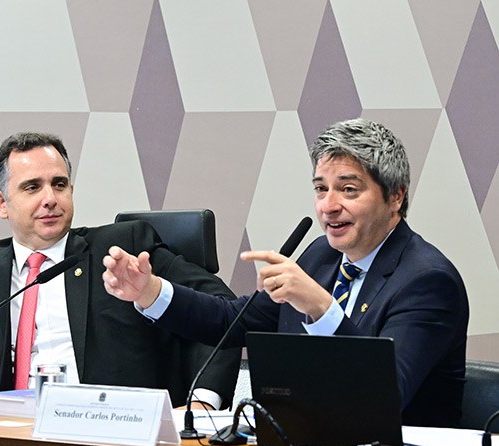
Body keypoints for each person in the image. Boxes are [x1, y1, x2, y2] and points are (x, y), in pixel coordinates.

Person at [103, 118, 469, 428]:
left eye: (348, 190)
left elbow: (387, 396)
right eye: (321, 189)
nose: (329, 206)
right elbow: (232, 321)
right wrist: (150, 292)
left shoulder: (428, 282)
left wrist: (324, 311)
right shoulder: (320, 257)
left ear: (395, 197)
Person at [0, 132, 241, 406]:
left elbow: (225, 311)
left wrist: (202, 405)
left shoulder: (124, 247)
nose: (50, 198)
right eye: (32, 187)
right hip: (16, 439)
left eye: (59, 185)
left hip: (111, 430)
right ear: (1, 203)